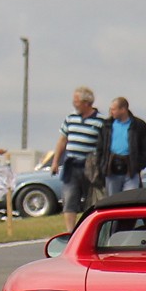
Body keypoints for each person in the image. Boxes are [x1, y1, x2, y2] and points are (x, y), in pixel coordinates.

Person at [49, 87, 104, 231]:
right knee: (69, 199)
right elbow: (62, 140)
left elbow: (105, 144)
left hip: (90, 166)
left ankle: (90, 230)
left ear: (86, 102)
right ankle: (70, 232)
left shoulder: (101, 121)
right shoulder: (70, 118)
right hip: (71, 165)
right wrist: (55, 162)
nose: (74, 103)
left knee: (92, 200)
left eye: (77, 101)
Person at [93, 97, 146, 196]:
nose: (111, 112)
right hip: (111, 170)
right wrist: (101, 166)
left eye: (114, 109)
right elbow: (100, 148)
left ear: (123, 109)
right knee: (112, 200)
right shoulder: (107, 125)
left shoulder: (138, 125)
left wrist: (138, 165)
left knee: (130, 199)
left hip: (131, 171)